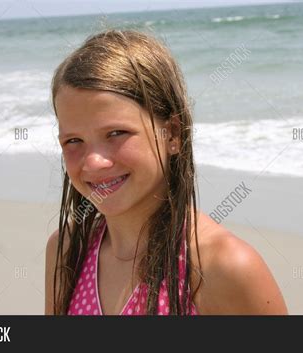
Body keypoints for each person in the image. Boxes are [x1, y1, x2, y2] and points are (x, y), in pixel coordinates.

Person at [45, 29, 287, 315]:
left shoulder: (222, 267)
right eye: (73, 140)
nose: (94, 161)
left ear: (172, 134)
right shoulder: (68, 249)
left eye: (116, 133)